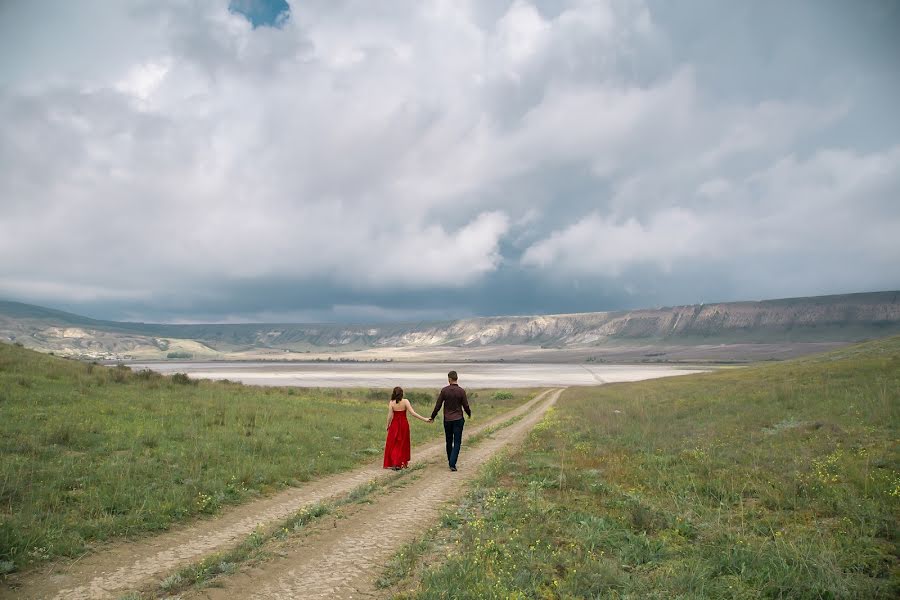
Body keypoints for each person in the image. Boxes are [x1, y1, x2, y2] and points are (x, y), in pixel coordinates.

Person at [429, 370, 471, 472]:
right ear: (457, 378)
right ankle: (452, 463)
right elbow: (465, 405)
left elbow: (438, 405)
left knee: (448, 440)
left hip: (447, 420)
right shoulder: (461, 391)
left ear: (449, 379)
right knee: (457, 442)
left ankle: (450, 461)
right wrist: (469, 413)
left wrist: (432, 416)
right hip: (458, 419)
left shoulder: (444, 391)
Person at [383, 386, 430, 470]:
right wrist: (424, 419)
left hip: (394, 425)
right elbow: (413, 413)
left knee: (394, 444)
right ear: (402, 393)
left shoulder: (391, 403)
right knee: (403, 444)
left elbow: (390, 416)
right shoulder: (405, 401)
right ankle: (400, 462)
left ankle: (395, 462)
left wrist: (387, 425)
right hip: (404, 424)